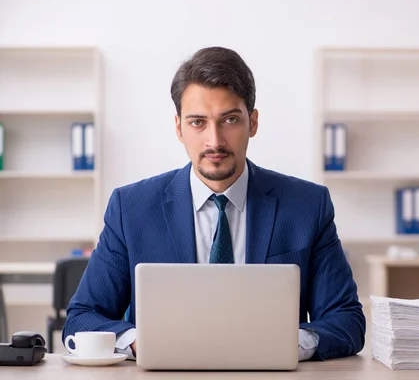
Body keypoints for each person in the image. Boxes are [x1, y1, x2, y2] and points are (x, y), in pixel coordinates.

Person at [63, 46, 365, 361]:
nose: (215, 141)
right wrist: (142, 342)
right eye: (198, 123)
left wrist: (292, 344)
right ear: (179, 127)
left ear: (253, 122)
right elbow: (82, 317)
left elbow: (347, 321)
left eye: (230, 120)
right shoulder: (131, 208)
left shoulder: (306, 206)